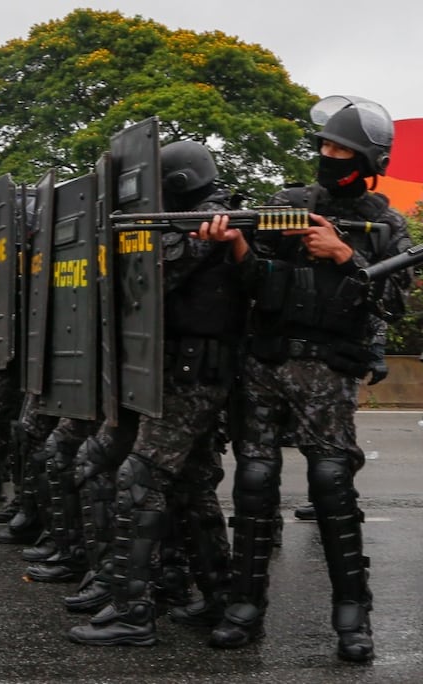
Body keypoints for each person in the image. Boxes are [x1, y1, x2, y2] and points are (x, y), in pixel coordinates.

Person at [197, 95, 412, 662]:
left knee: (331, 483)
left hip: (327, 371)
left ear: (369, 160)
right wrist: (237, 243)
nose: (328, 155)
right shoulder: (286, 206)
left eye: (341, 148)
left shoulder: (387, 224)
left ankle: (351, 615)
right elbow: (251, 283)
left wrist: (345, 256)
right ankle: (244, 604)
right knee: (255, 480)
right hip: (265, 363)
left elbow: (392, 306)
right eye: (324, 145)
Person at [67, 140, 242, 645]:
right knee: (190, 488)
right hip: (178, 372)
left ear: (179, 185)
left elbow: (156, 270)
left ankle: (133, 612)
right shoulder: (195, 218)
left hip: (194, 374)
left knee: (139, 478)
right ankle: (215, 594)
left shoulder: (213, 220)